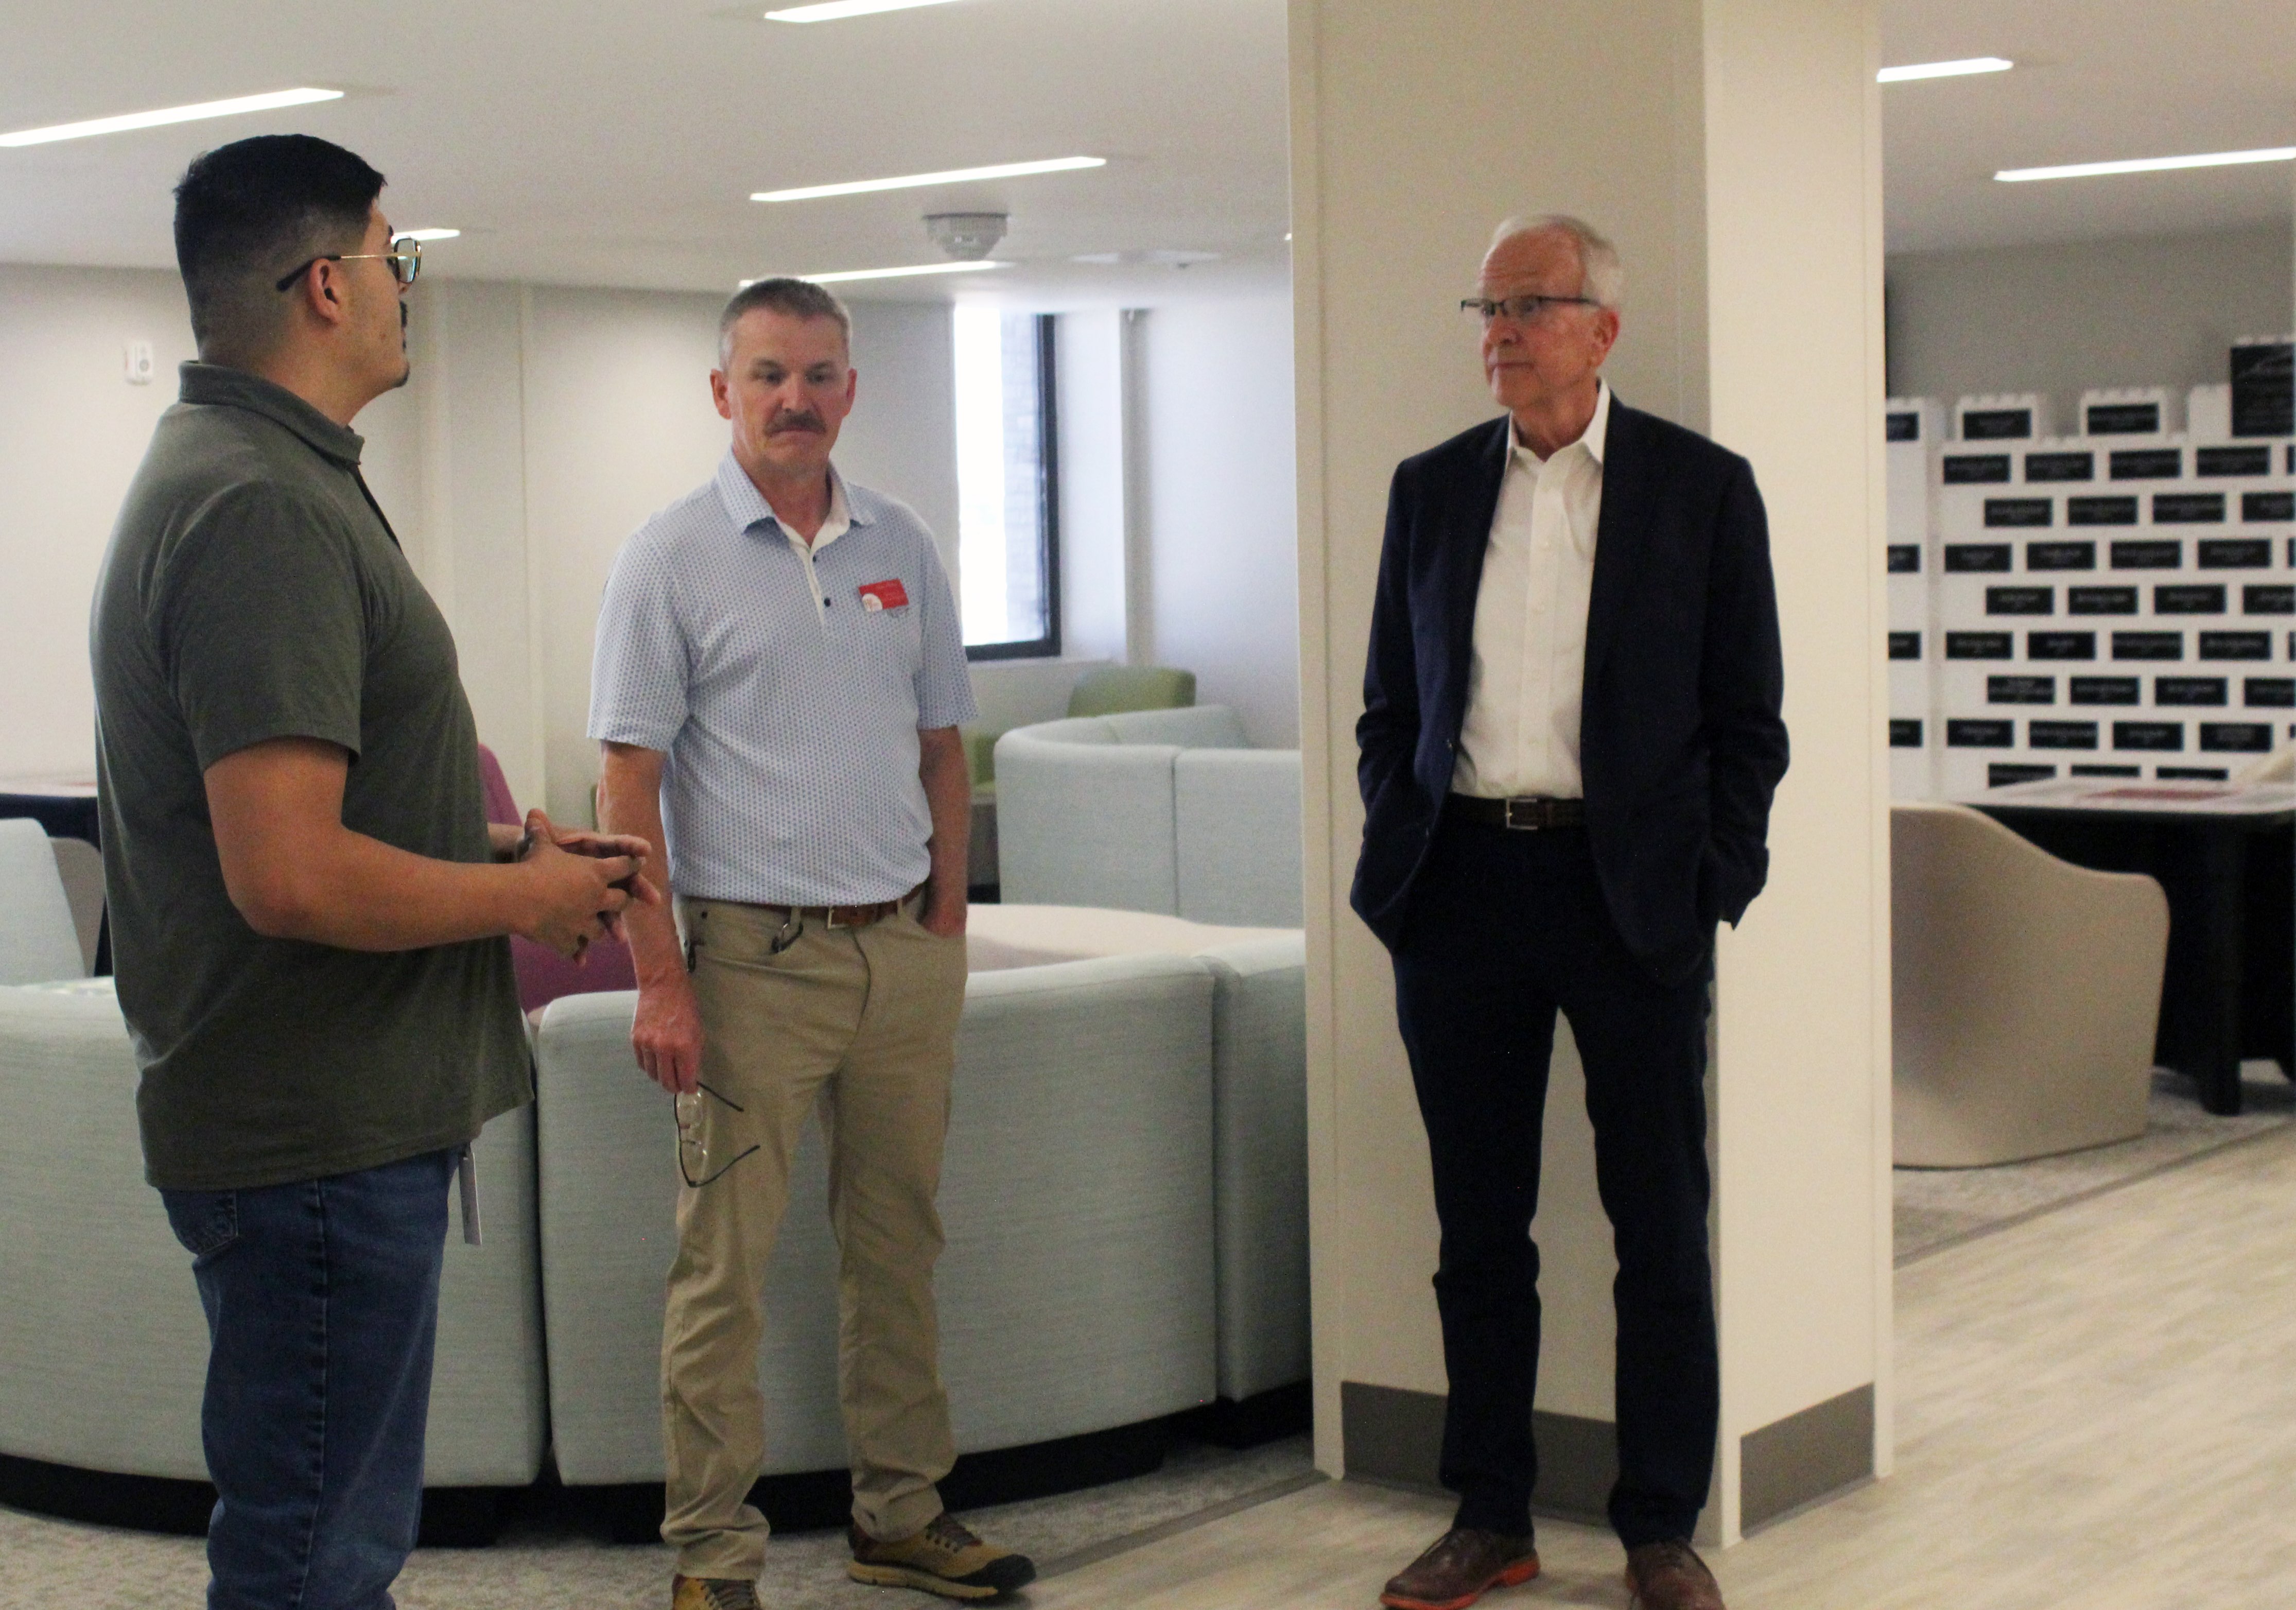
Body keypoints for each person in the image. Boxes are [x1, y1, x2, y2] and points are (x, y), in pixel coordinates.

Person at [91, 134, 650, 1609]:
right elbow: (289, 877)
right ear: (329, 286)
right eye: (399, 261)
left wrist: (505, 847)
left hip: (320, 1129)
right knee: (313, 1559)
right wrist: (527, 900)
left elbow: (291, 825)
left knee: (326, 1539)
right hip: (315, 1138)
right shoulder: (260, 504)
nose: (413, 290)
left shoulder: (259, 474)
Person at [1354, 216, 1788, 1610]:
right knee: (1477, 1229)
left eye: (1528, 304)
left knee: (1656, 1224)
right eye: (1485, 303)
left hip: (1633, 896)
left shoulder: (1698, 490)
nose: (1497, 328)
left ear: (1601, 327)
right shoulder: (1427, 491)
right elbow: (1389, 706)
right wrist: (1400, 844)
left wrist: (1712, 880)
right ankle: (1491, 1512)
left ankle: (1660, 1525)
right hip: (1462, 888)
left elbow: (1748, 721)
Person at [589, 277, 1036, 1610]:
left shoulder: (899, 538)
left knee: (897, 1245)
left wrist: (947, 915)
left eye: (821, 374)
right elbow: (627, 785)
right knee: (720, 1270)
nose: (797, 399)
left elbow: (944, 746)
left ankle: (900, 1512)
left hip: (899, 955)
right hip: (745, 969)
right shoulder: (666, 557)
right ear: (723, 392)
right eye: (770, 374)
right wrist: (659, 979)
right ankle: (711, 1558)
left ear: (851, 387)